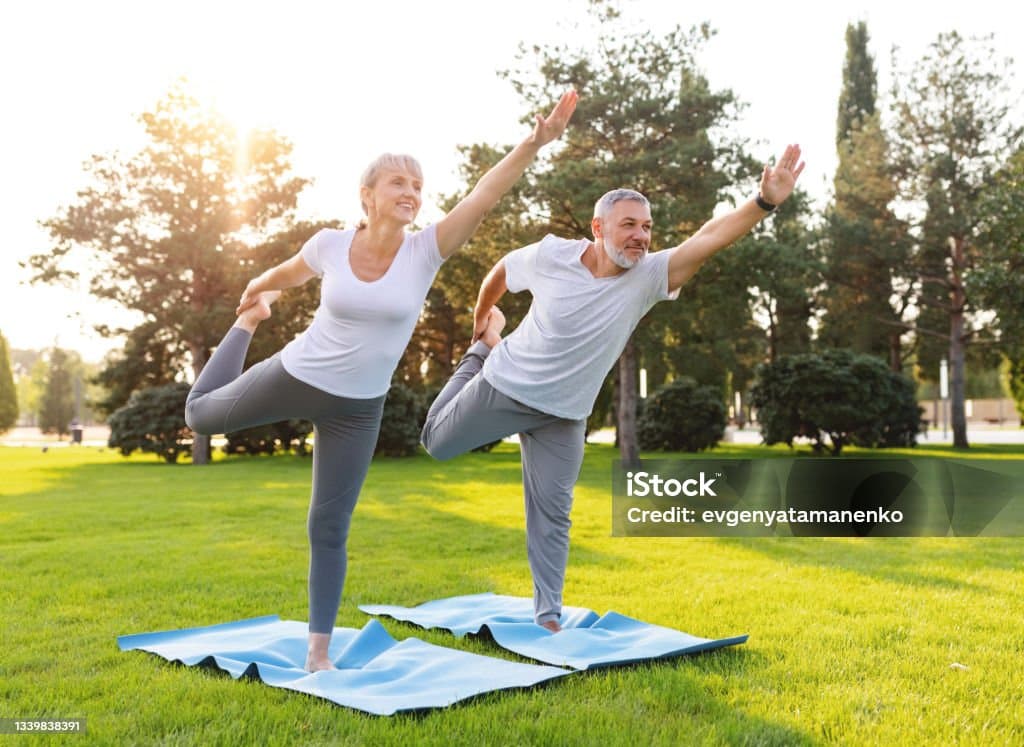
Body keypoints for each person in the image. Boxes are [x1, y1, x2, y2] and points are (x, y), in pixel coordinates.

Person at [184, 91, 578, 671]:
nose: (411, 194)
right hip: (297, 373)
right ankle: (245, 329)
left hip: (358, 409)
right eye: (398, 182)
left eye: (417, 186)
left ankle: (319, 654)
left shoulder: (427, 251)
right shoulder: (330, 245)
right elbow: (289, 272)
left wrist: (534, 143)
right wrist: (255, 296)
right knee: (199, 416)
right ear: (367, 196)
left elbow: (484, 195)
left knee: (328, 524)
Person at [421, 145, 805, 632]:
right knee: (435, 443)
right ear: (598, 228)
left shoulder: (648, 277)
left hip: (564, 414)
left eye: (646, 227)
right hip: (506, 385)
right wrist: (481, 324)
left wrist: (763, 203)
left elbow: (708, 237)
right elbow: (500, 271)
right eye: (629, 225)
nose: (641, 237)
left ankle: (547, 618)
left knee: (553, 517)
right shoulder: (550, 256)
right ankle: (479, 355)